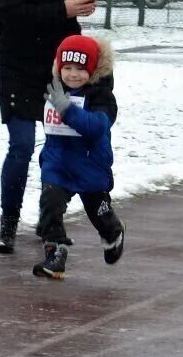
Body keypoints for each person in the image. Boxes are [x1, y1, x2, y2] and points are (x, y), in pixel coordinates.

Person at [0, 0, 95, 253]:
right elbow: (10, 13)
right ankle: (8, 223)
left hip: (58, 68)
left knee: (58, 146)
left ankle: (48, 219)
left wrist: (80, 6)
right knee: (21, 145)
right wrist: (62, 10)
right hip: (19, 64)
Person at [32, 35, 125, 279]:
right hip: (58, 163)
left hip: (90, 165)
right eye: (68, 68)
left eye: (80, 69)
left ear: (93, 69)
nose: (73, 74)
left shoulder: (102, 96)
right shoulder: (54, 88)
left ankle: (112, 232)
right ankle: (55, 252)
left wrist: (68, 110)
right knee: (50, 204)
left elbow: (95, 128)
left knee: (98, 212)